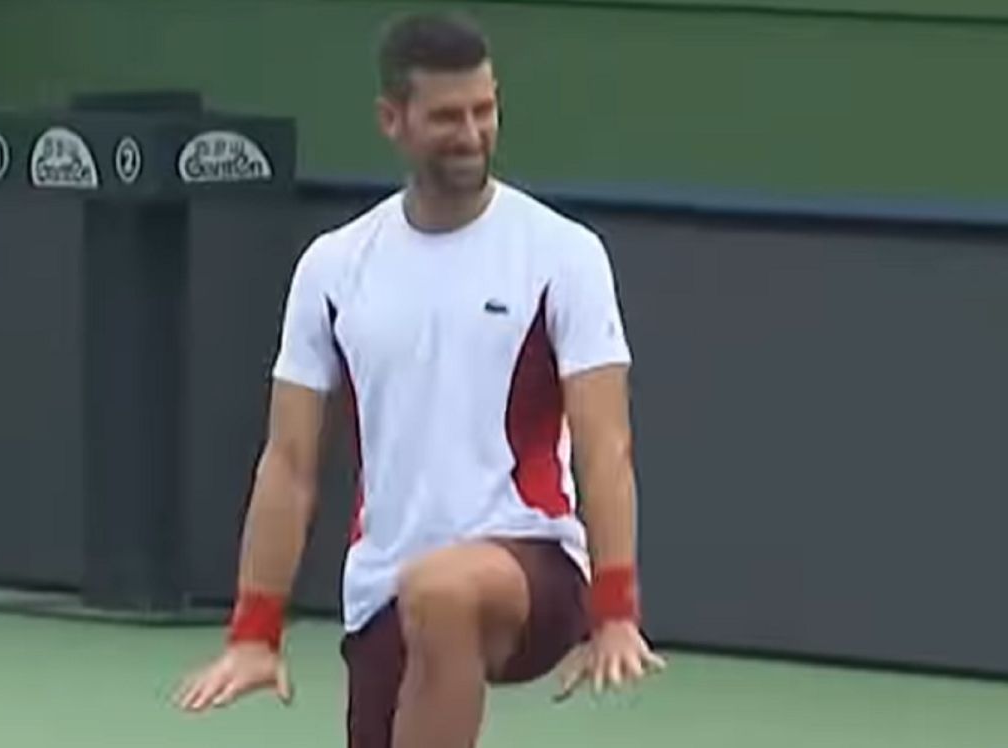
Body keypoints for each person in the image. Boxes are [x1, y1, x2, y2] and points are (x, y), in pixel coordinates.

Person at [174, 10, 666, 747]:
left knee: (440, 589)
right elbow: (289, 463)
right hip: (385, 588)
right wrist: (254, 630)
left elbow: (605, 447)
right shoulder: (333, 268)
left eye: (483, 110)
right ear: (392, 120)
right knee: (421, 601)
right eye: (446, 117)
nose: (471, 133)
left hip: (533, 566)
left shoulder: (564, 255)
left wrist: (617, 608)